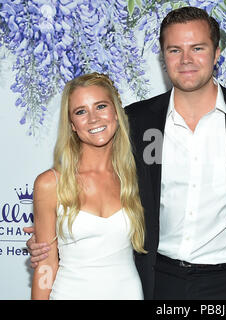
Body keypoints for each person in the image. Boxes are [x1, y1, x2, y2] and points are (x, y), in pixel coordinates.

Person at [25, 7, 226, 300]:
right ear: (163, 57)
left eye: (197, 48)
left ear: (217, 53)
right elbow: (86, 180)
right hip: (156, 279)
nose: (186, 59)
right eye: (174, 50)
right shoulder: (134, 121)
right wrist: (51, 239)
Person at [30, 73, 145, 299]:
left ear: (116, 112)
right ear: (72, 125)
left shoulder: (136, 177)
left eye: (101, 106)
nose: (93, 119)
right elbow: (46, 263)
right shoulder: (50, 183)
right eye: (81, 111)